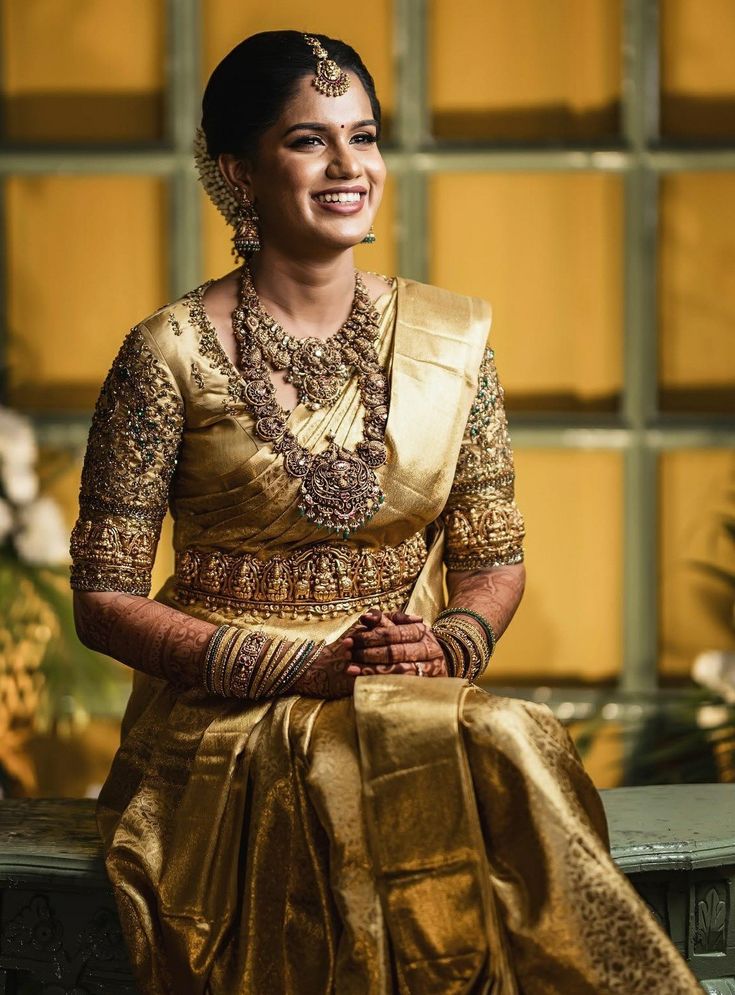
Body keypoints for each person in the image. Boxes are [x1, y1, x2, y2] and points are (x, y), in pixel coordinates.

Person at [70, 30, 701, 995]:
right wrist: (290, 664)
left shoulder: (452, 340)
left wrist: (446, 644)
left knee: (513, 732)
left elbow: (493, 557)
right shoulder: (168, 355)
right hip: (227, 712)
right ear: (238, 172)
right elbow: (104, 596)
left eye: (361, 137)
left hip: (402, 685)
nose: (346, 166)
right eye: (307, 140)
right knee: (431, 753)